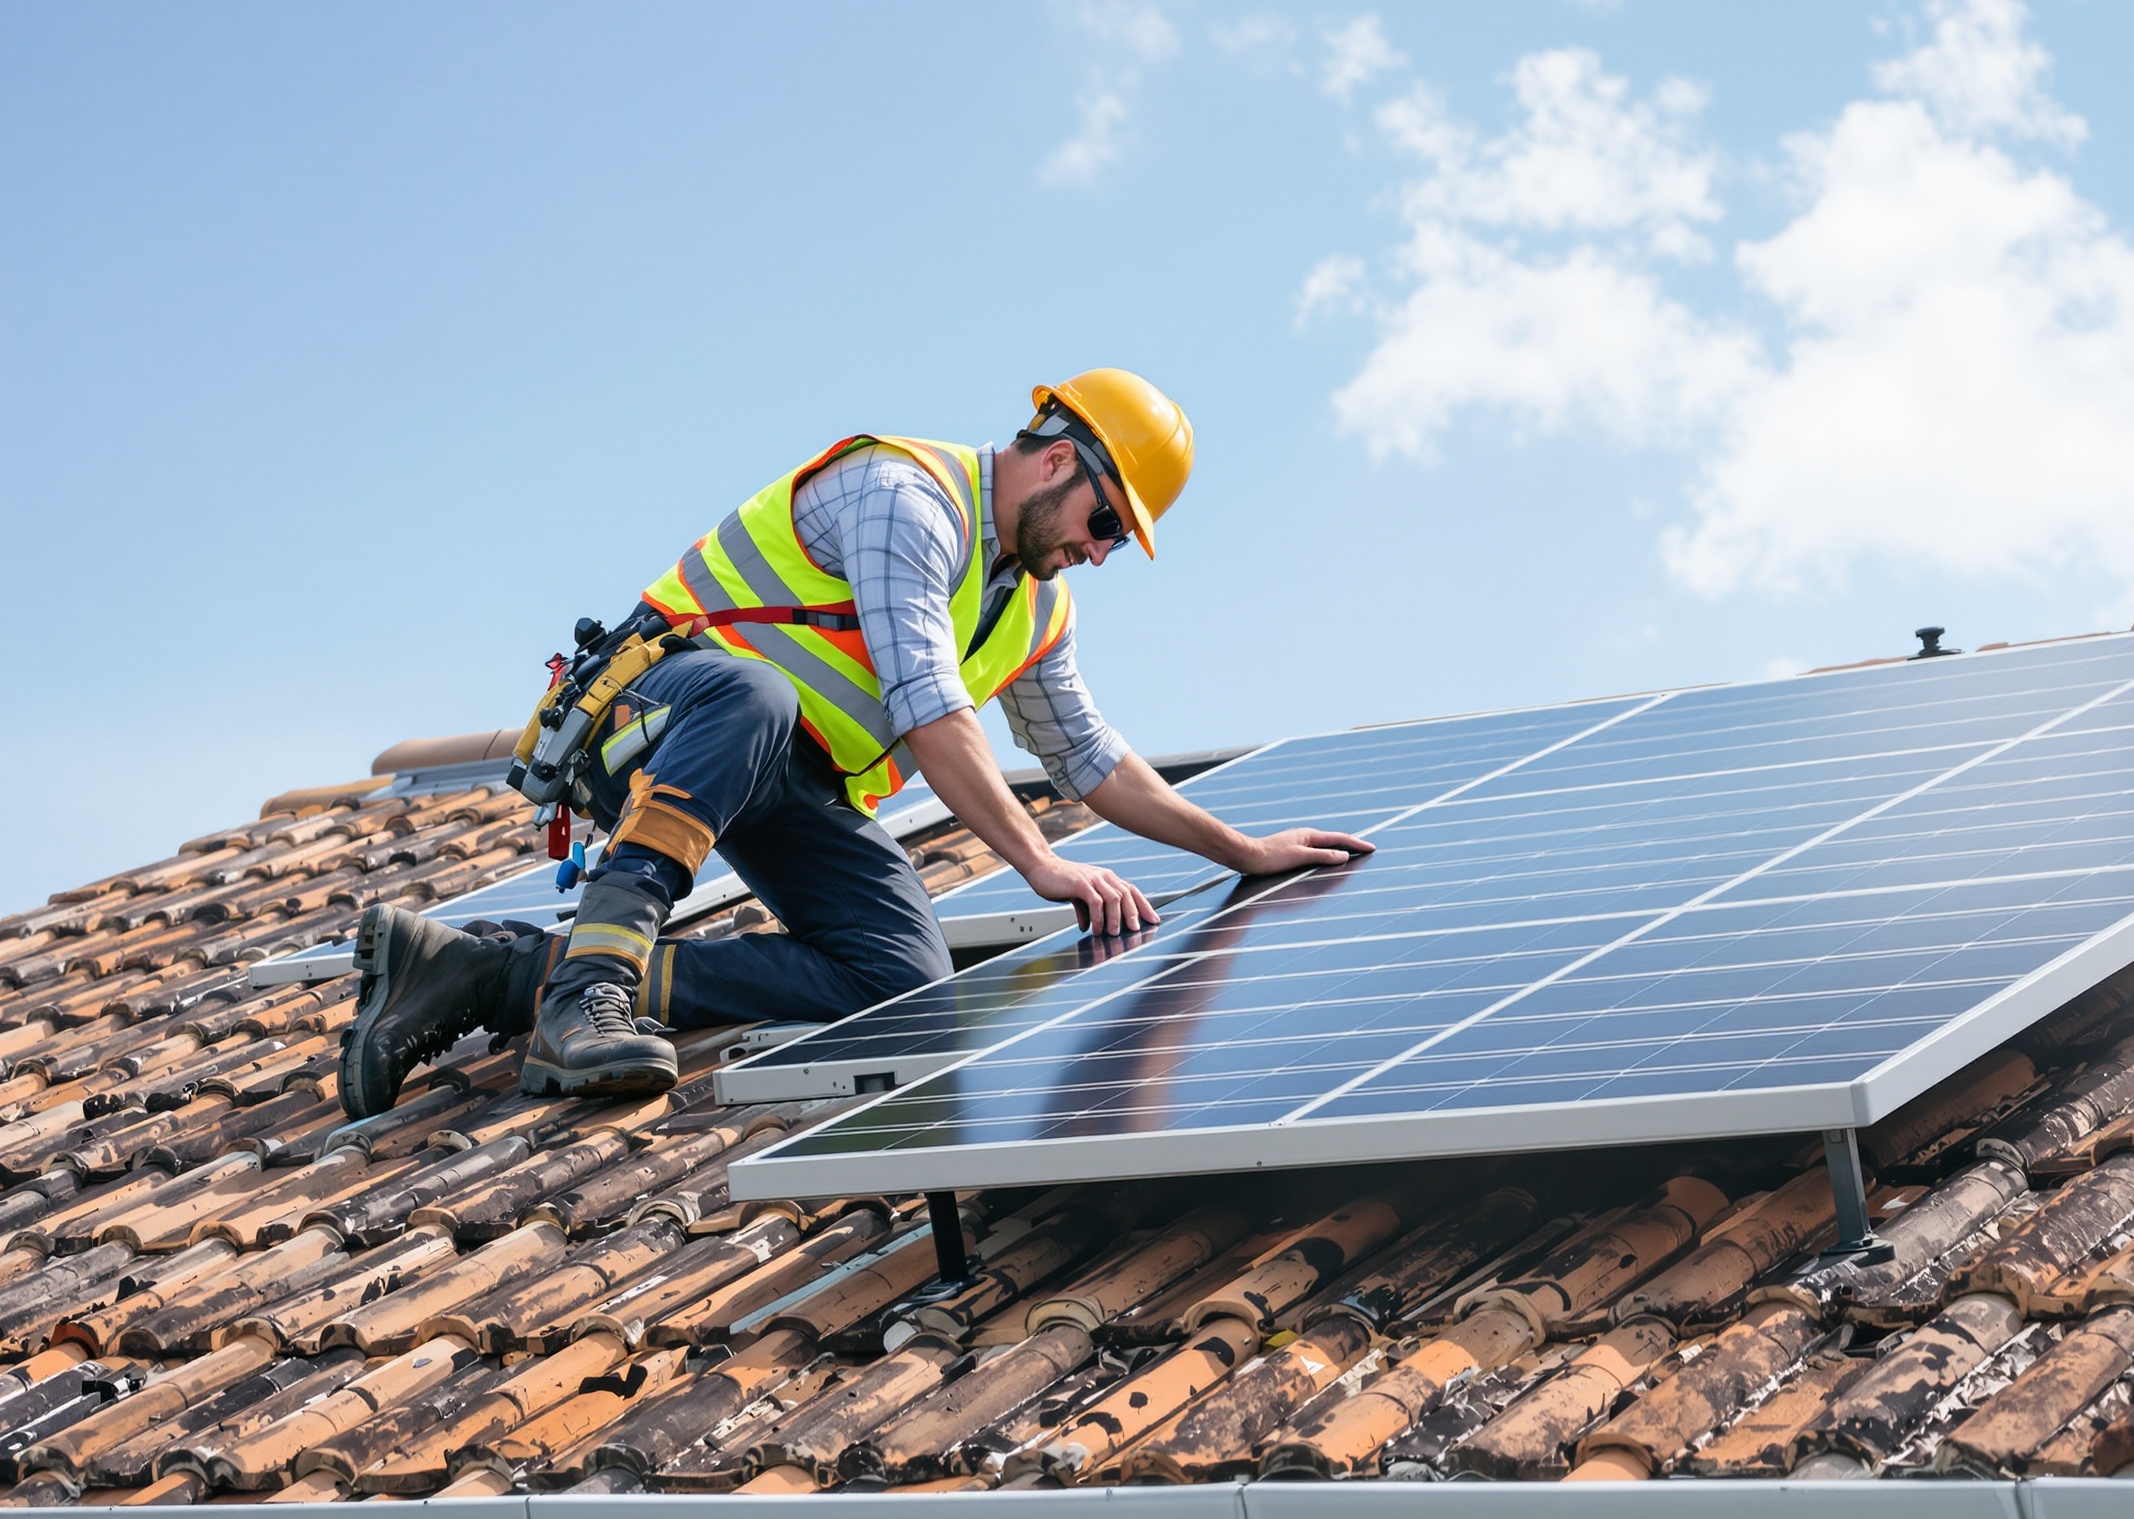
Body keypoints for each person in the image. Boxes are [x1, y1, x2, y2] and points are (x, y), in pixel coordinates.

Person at [338, 369, 1372, 1117]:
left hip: (780, 779)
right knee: (754, 698)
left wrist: (1242, 854)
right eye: (1104, 523)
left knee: (903, 981)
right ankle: (586, 999)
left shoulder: (1032, 608)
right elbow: (929, 706)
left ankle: (484, 976)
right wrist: (1041, 864)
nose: (1097, 554)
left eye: (1113, 544)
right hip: (657, 719)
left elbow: (1091, 760)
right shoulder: (904, 498)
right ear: (1058, 460)